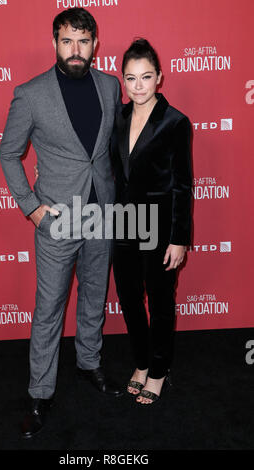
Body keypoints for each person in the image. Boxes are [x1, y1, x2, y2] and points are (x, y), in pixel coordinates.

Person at [0, 8, 122, 439]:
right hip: (56, 219)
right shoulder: (30, 94)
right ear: (55, 43)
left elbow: (107, 153)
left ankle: (90, 363)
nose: (76, 50)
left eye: (84, 41)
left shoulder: (110, 86)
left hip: (101, 214)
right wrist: (31, 206)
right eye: (68, 41)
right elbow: (8, 154)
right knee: (49, 309)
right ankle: (40, 391)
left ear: (95, 46)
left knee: (94, 295)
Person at [111, 39, 193, 405]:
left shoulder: (175, 122)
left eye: (146, 77)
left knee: (160, 302)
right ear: (123, 81)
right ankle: (141, 362)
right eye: (131, 78)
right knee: (129, 298)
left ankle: (159, 370)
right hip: (125, 224)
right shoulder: (118, 117)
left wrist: (179, 238)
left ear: (159, 77)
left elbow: (182, 184)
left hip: (160, 229)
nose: (138, 86)